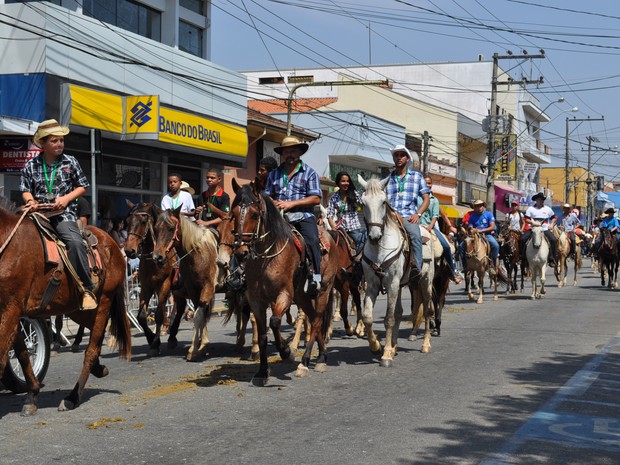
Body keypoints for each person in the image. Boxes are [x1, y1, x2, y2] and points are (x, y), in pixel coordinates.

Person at [20, 119, 97, 310]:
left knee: (75, 243)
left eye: (61, 140)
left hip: (63, 213)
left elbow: (82, 186)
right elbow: (25, 188)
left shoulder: (71, 162)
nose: (59, 144)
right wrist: (30, 201)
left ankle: (86, 289)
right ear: (43, 143)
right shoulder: (31, 164)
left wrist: (66, 198)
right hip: (38, 213)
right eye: (54, 141)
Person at [264, 136, 322, 296]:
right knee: (254, 237)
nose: (289, 154)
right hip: (278, 218)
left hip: (302, 216)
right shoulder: (274, 174)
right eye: (286, 152)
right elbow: (267, 195)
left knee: (312, 240)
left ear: (299, 153)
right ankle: (244, 276)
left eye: (293, 151)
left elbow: (316, 198)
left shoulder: (310, 173)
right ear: (282, 154)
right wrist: (272, 202)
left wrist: (291, 204)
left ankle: (315, 276)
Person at [385, 144, 430, 279]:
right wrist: (390, 213)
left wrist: (418, 214)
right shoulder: (387, 179)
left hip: (408, 216)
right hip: (391, 216)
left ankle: (416, 266)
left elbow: (426, 199)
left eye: (401, 155)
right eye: (396, 155)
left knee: (415, 236)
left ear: (407, 159)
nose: (398, 158)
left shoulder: (417, 177)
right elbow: (383, 200)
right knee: (372, 235)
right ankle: (367, 269)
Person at [418, 175, 461, 284]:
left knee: (446, 246)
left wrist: (429, 227)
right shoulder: (416, 197)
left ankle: (453, 271)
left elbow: (435, 216)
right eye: (425, 183)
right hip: (416, 226)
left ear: (431, 185)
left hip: (430, 227)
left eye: (429, 183)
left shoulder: (434, 200)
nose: (427, 185)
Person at [326, 171, 366, 255]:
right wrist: (333, 227)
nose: (346, 183)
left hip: (354, 228)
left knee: (364, 239)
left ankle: (355, 259)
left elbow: (363, 205)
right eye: (343, 181)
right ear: (338, 182)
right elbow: (330, 215)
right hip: (341, 229)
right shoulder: (334, 197)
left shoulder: (354, 193)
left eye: (347, 181)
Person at [460, 199, 500, 268]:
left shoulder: (489, 214)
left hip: (487, 235)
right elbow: (470, 226)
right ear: (474, 207)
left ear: (483, 206)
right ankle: (465, 265)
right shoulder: (472, 216)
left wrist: (480, 231)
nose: (479, 208)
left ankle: (493, 264)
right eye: (477, 206)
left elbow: (492, 227)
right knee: (461, 246)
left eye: (480, 206)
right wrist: (471, 229)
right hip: (475, 235)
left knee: (495, 245)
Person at [521, 192, 557, 266]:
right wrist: (532, 222)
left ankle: (552, 258)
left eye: (542, 200)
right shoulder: (531, 209)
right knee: (522, 239)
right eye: (540, 200)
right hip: (533, 229)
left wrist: (552, 224)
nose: (541, 201)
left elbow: (554, 217)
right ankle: (522, 257)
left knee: (553, 240)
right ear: (536, 200)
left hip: (544, 229)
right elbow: (526, 219)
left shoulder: (547, 209)